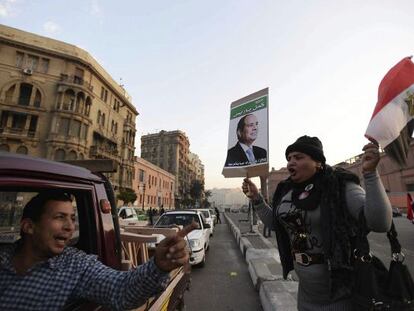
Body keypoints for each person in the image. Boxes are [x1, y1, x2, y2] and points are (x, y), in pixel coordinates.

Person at [242, 136, 392, 310]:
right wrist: (257, 199)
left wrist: (370, 174)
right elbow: (276, 225)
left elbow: (381, 223)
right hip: (305, 297)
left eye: (298, 157)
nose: (291, 162)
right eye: (289, 158)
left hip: (342, 297)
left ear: (318, 162)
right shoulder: (286, 192)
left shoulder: (340, 185)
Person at [0, 191, 196, 310]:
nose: (70, 227)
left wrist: (158, 267)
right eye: (60, 217)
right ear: (28, 226)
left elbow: (121, 289)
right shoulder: (4, 257)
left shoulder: (76, 265)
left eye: (73, 218)